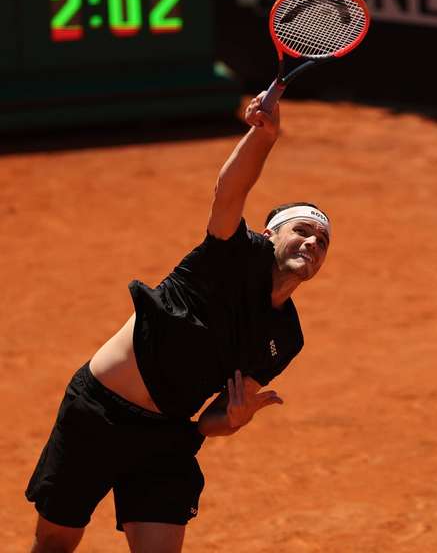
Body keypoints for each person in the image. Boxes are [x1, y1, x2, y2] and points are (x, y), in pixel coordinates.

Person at [25, 95, 330, 553]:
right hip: (98, 413)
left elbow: (209, 421)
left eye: (322, 240)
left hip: (164, 439)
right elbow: (229, 189)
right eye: (302, 231)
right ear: (270, 236)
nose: (311, 242)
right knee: (55, 545)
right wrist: (263, 136)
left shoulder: (286, 338)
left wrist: (232, 419)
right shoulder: (231, 255)